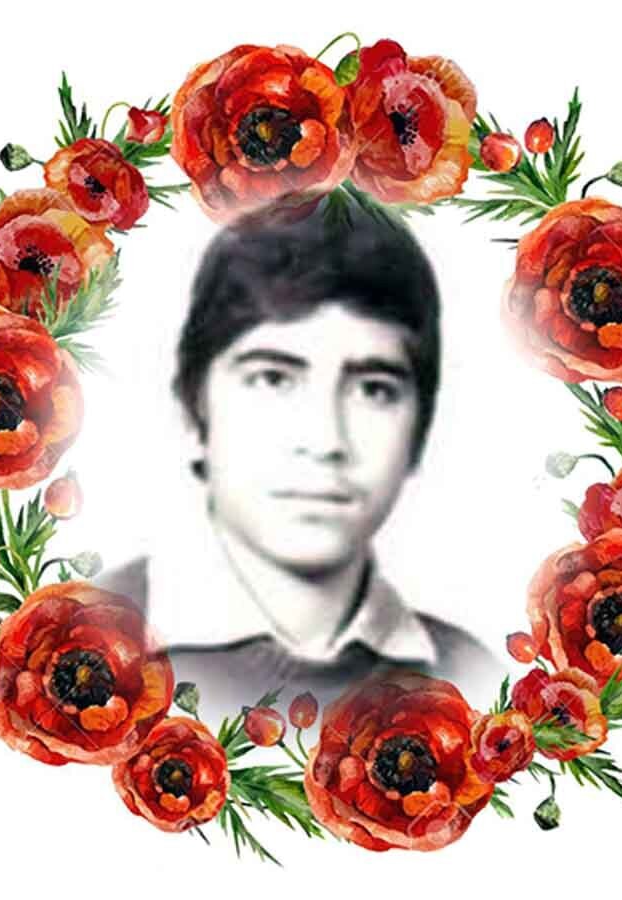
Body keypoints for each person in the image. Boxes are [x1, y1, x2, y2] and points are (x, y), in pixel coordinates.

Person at [96, 199, 506, 717]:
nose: (325, 439)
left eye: (374, 389)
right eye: (273, 379)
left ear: (419, 427)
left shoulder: (476, 683)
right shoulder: (70, 643)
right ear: (192, 412)